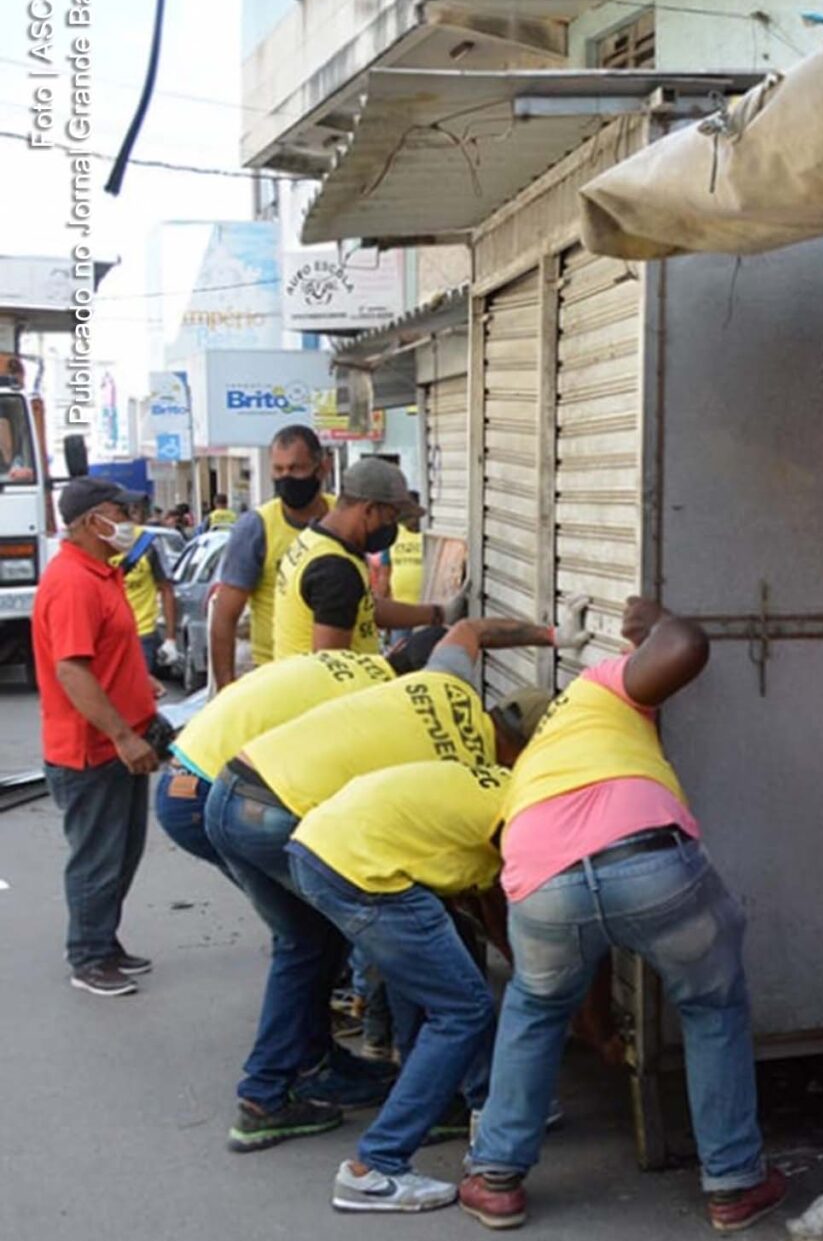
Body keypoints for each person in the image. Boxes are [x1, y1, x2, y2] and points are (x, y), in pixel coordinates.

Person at [461, 595, 785, 1234]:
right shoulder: (591, 694)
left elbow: (570, 923)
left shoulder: (521, 777)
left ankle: (496, 1178)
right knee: (712, 1007)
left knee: (535, 1005)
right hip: (652, 864)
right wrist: (657, 625)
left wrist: (600, 1028)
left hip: (544, 879)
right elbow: (686, 648)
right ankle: (734, 1185)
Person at [202, 617, 558, 1152]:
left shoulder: (448, 682)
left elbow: (468, 629)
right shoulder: (470, 772)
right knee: (427, 940)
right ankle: (453, 1099)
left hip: (230, 790)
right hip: (284, 814)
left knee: (309, 946)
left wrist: (550, 635)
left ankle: (266, 1098)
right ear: (521, 751)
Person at [288, 760, 511, 1212]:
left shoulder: (502, 782)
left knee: (442, 983)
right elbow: (503, 906)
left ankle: (479, 1106)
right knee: (464, 1010)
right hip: (363, 869)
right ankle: (377, 1165)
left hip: (319, 846)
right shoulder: (524, 817)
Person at [155, 631, 449, 885]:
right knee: (328, 905)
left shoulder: (349, 662)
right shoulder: (376, 704)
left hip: (181, 778)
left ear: (397, 648)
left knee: (304, 920)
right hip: (210, 793)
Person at [32, 477, 164, 997]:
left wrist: (139, 680)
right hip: (92, 750)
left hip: (119, 742)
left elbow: (103, 655)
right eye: (119, 510)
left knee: (122, 852)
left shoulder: (100, 573)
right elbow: (72, 671)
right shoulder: (73, 582)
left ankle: (104, 944)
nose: (128, 520)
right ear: (93, 520)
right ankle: (88, 957)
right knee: (97, 858)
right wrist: (122, 736)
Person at [271, 458, 449, 660]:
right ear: (370, 509)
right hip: (327, 691)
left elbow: (365, 607)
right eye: (390, 518)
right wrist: (392, 665)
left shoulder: (312, 541)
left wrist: (436, 614)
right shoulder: (335, 569)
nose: (392, 528)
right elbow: (332, 668)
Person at [211, 426, 333, 687]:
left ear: (322, 468)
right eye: (278, 470)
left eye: (296, 468)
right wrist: (225, 688)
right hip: (277, 677)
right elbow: (225, 616)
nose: (286, 478)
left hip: (337, 673)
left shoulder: (341, 516)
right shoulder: (256, 527)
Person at [114, 501, 177, 677]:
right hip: (109, 635)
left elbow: (166, 589)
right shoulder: (99, 542)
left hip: (142, 633)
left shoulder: (148, 543)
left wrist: (170, 639)